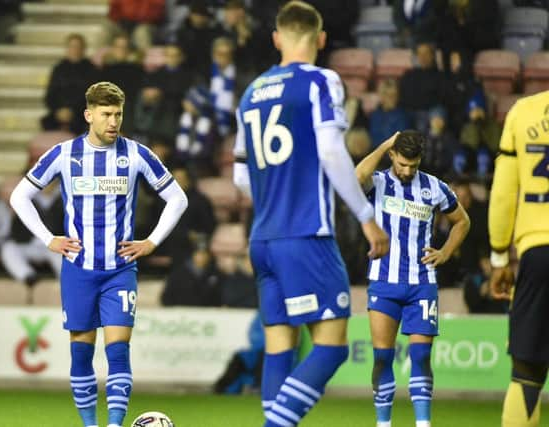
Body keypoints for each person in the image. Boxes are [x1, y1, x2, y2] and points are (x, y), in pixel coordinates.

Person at [232, 2, 389, 426]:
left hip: (263, 240)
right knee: (332, 347)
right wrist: (365, 213)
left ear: (276, 38)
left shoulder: (251, 92)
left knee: (280, 346)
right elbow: (332, 151)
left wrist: (276, 189)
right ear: (320, 40)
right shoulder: (321, 81)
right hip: (306, 235)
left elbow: (241, 178)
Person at [9, 81, 188, 427]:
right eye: (106, 114)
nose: (113, 122)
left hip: (120, 269)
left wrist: (151, 242)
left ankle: (114, 425)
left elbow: (178, 198)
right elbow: (20, 196)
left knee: (118, 350)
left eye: (118, 114)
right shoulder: (64, 154)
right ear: (89, 115)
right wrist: (49, 239)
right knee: (81, 353)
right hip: (78, 268)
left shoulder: (136, 154)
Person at [355, 131, 470, 427]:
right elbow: (356, 177)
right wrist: (383, 145)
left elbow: (462, 222)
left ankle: (423, 424)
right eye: (403, 164)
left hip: (422, 283)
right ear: (393, 155)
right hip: (384, 280)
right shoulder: (379, 182)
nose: (407, 171)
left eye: (413, 165)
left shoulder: (435, 187)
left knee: (420, 356)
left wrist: (445, 252)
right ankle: (383, 424)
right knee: (382, 357)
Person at [488, 91, 549, 427]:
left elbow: (502, 194)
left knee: (526, 373)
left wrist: (499, 257)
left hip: (538, 252)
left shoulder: (524, 111)